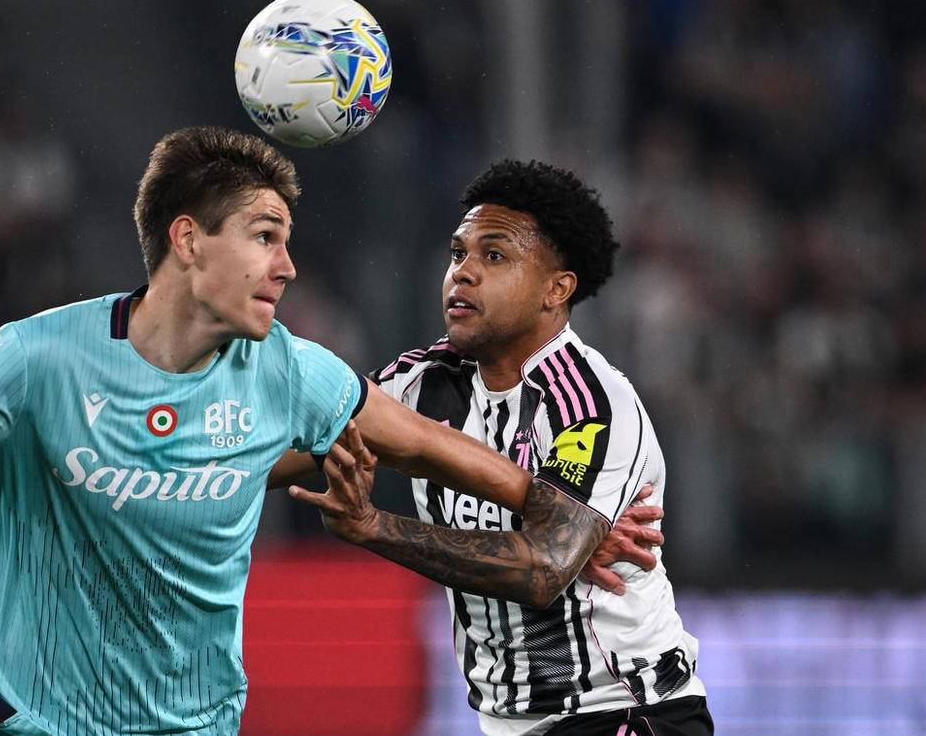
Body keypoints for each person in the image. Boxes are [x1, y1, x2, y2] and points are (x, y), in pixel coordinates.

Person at [0, 126, 574, 736]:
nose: (287, 266)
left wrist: (553, 507)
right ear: (189, 239)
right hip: (14, 723)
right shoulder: (35, 359)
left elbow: (423, 444)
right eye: (264, 237)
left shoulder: (286, 371)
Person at [290, 159, 712, 735]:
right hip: (510, 724)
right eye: (457, 253)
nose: (462, 273)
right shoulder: (420, 382)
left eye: (494, 256)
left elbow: (543, 569)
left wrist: (373, 527)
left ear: (556, 289)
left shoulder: (591, 401)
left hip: (622, 711)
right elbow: (285, 453)